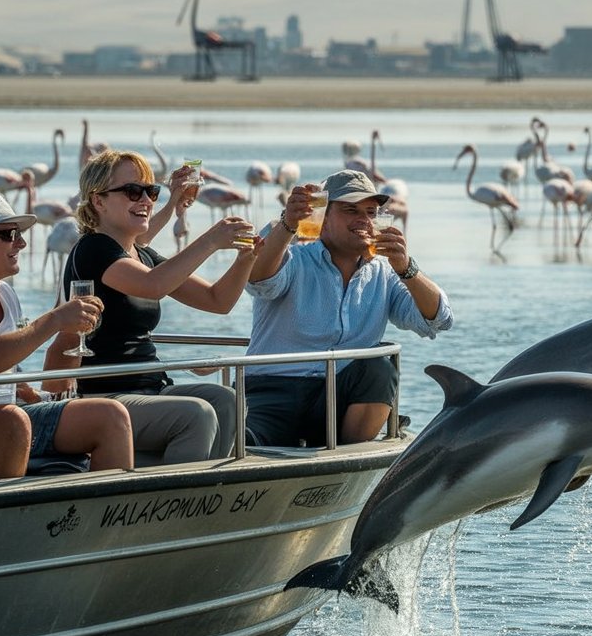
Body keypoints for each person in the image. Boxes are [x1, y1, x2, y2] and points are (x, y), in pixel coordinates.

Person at [44, 150, 258, 465]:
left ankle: (206, 494)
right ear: (98, 201)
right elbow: (153, 285)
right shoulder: (93, 248)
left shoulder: (142, 255)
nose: (146, 199)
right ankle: (176, 501)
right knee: (195, 415)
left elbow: (218, 301)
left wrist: (247, 257)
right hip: (105, 396)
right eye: (133, 191)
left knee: (227, 400)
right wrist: (211, 240)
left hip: (151, 388)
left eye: (151, 191)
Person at [244, 169, 453, 447]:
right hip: (273, 390)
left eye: (370, 212)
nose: (363, 220)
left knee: (379, 367)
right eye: (350, 210)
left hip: (339, 398)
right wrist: (287, 224)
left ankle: (343, 464)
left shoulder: (386, 271)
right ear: (322, 216)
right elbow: (258, 281)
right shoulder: (294, 258)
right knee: (242, 444)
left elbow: (438, 319)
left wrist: (408, 269)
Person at [0, 190, 133, 476]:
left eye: (18, 233)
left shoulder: (6, 295)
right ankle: (7, 519)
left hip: (4, 411)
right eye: (8, 234)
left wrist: (35, 395)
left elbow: (7, 373)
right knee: (12, 422)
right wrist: (54, 320)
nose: (22, 242)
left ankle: (106, 518)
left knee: (111, 416)